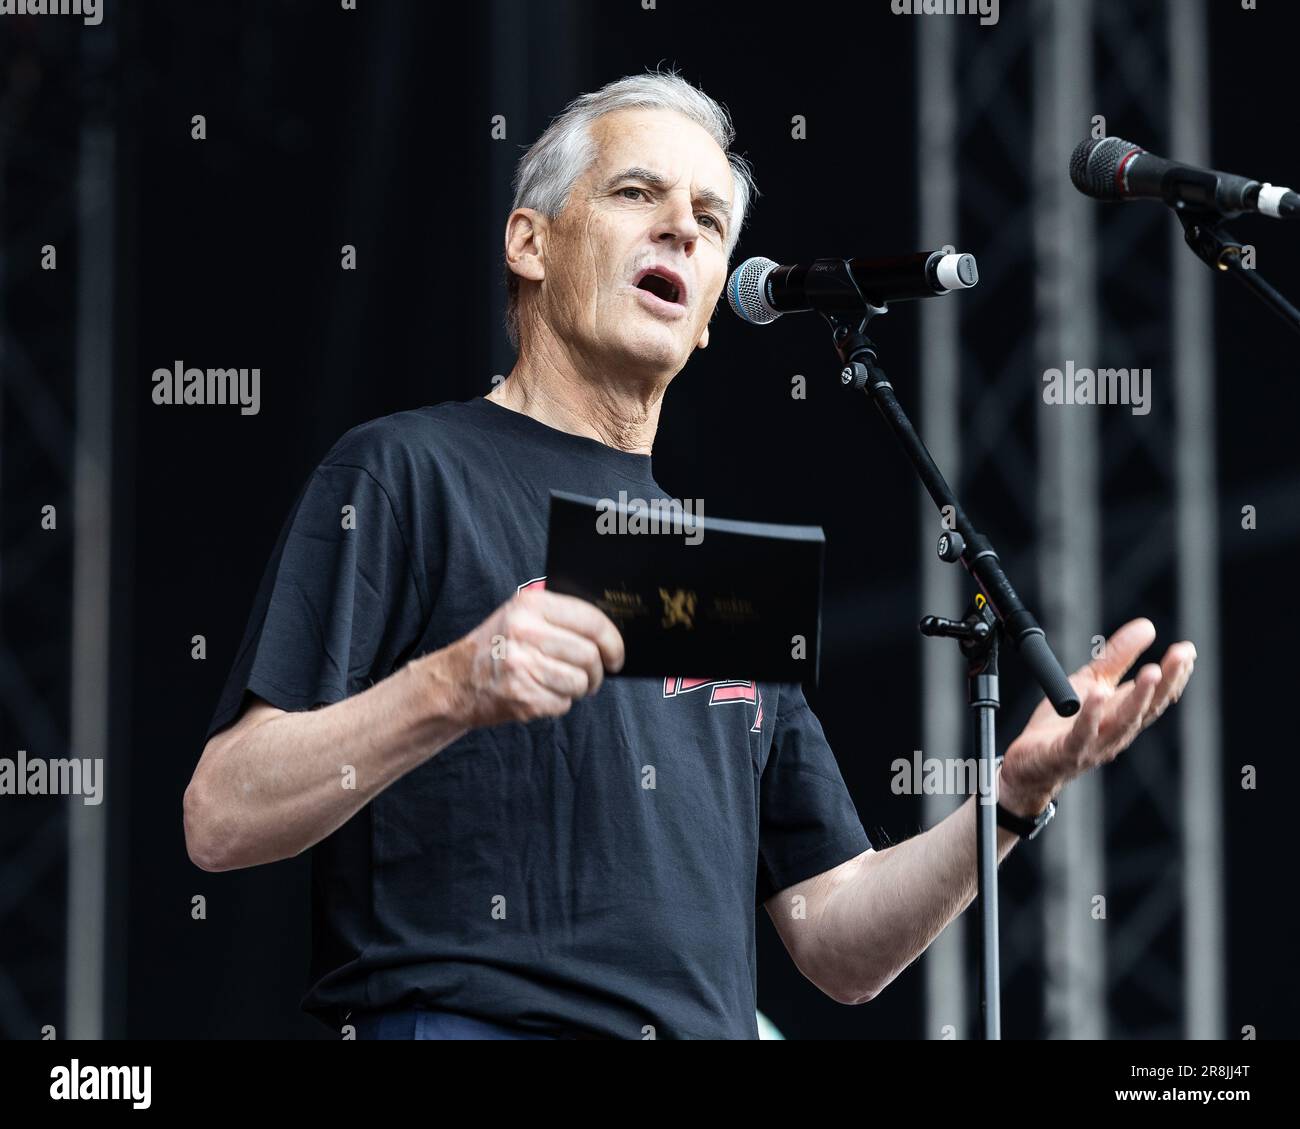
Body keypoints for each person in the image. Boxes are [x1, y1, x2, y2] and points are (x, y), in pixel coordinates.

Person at [183, 69, 1196, 1040]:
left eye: (711, 220)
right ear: (528, 242)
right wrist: (450, 685)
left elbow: (836, 939)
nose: (682, 225)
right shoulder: (404, 471)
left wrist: (1011, 799)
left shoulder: (713, 565)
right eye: (637, 192)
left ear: (710, 312)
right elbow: (222, 814)